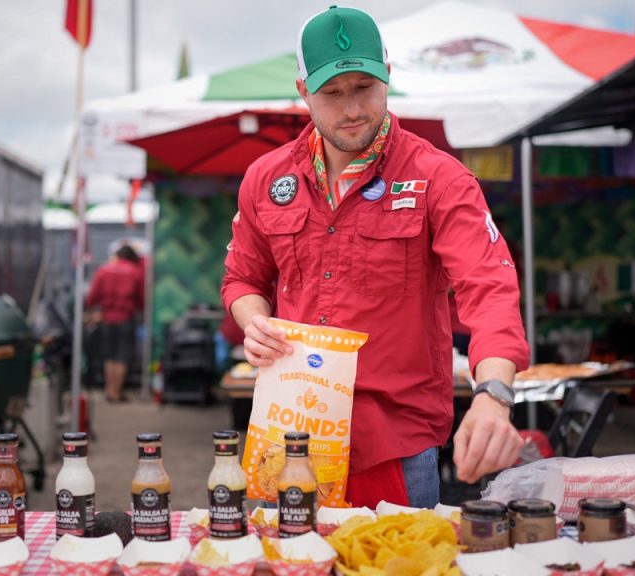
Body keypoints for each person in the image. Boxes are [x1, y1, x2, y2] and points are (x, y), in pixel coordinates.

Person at [221, 5, 529, 509]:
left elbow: (490, 290)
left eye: (364, 87)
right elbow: (241, 278)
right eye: (332, 94)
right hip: (291, 439)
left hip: (395, 450)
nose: (352, 109)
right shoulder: (265, 178)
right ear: (304, 92)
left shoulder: (439, 178)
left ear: (389, 77)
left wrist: (494, 396)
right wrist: (254, 321)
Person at [86, 243, 144, 402]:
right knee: (123, 356)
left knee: (109, 355)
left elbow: (92, 297)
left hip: (106, 319)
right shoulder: (136, 272)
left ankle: (108, 390)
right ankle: (116, 392)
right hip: (126, 318)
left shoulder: (104, 269)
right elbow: (141, 299)